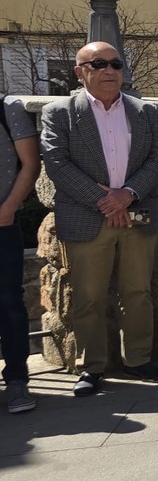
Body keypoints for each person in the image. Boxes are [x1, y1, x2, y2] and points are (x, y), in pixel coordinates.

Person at [42, 43, 158, 397]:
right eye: (98, 64)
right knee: (88, 296)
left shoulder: (144, 111)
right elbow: (57, 164)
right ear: (79, 72)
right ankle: (92, 366)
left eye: (115, 63)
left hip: (136, 214)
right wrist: (106, 201)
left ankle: (138, 359)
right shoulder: (60, 113)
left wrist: (127, 194)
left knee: (138, 292)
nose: (109, 70)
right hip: (88, 218)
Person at [1, 93, 40, 412]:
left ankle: (16, 381)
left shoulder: (8, 108)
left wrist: (9, 208)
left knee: (9, 303)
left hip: (2, 224)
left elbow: (30, 164)